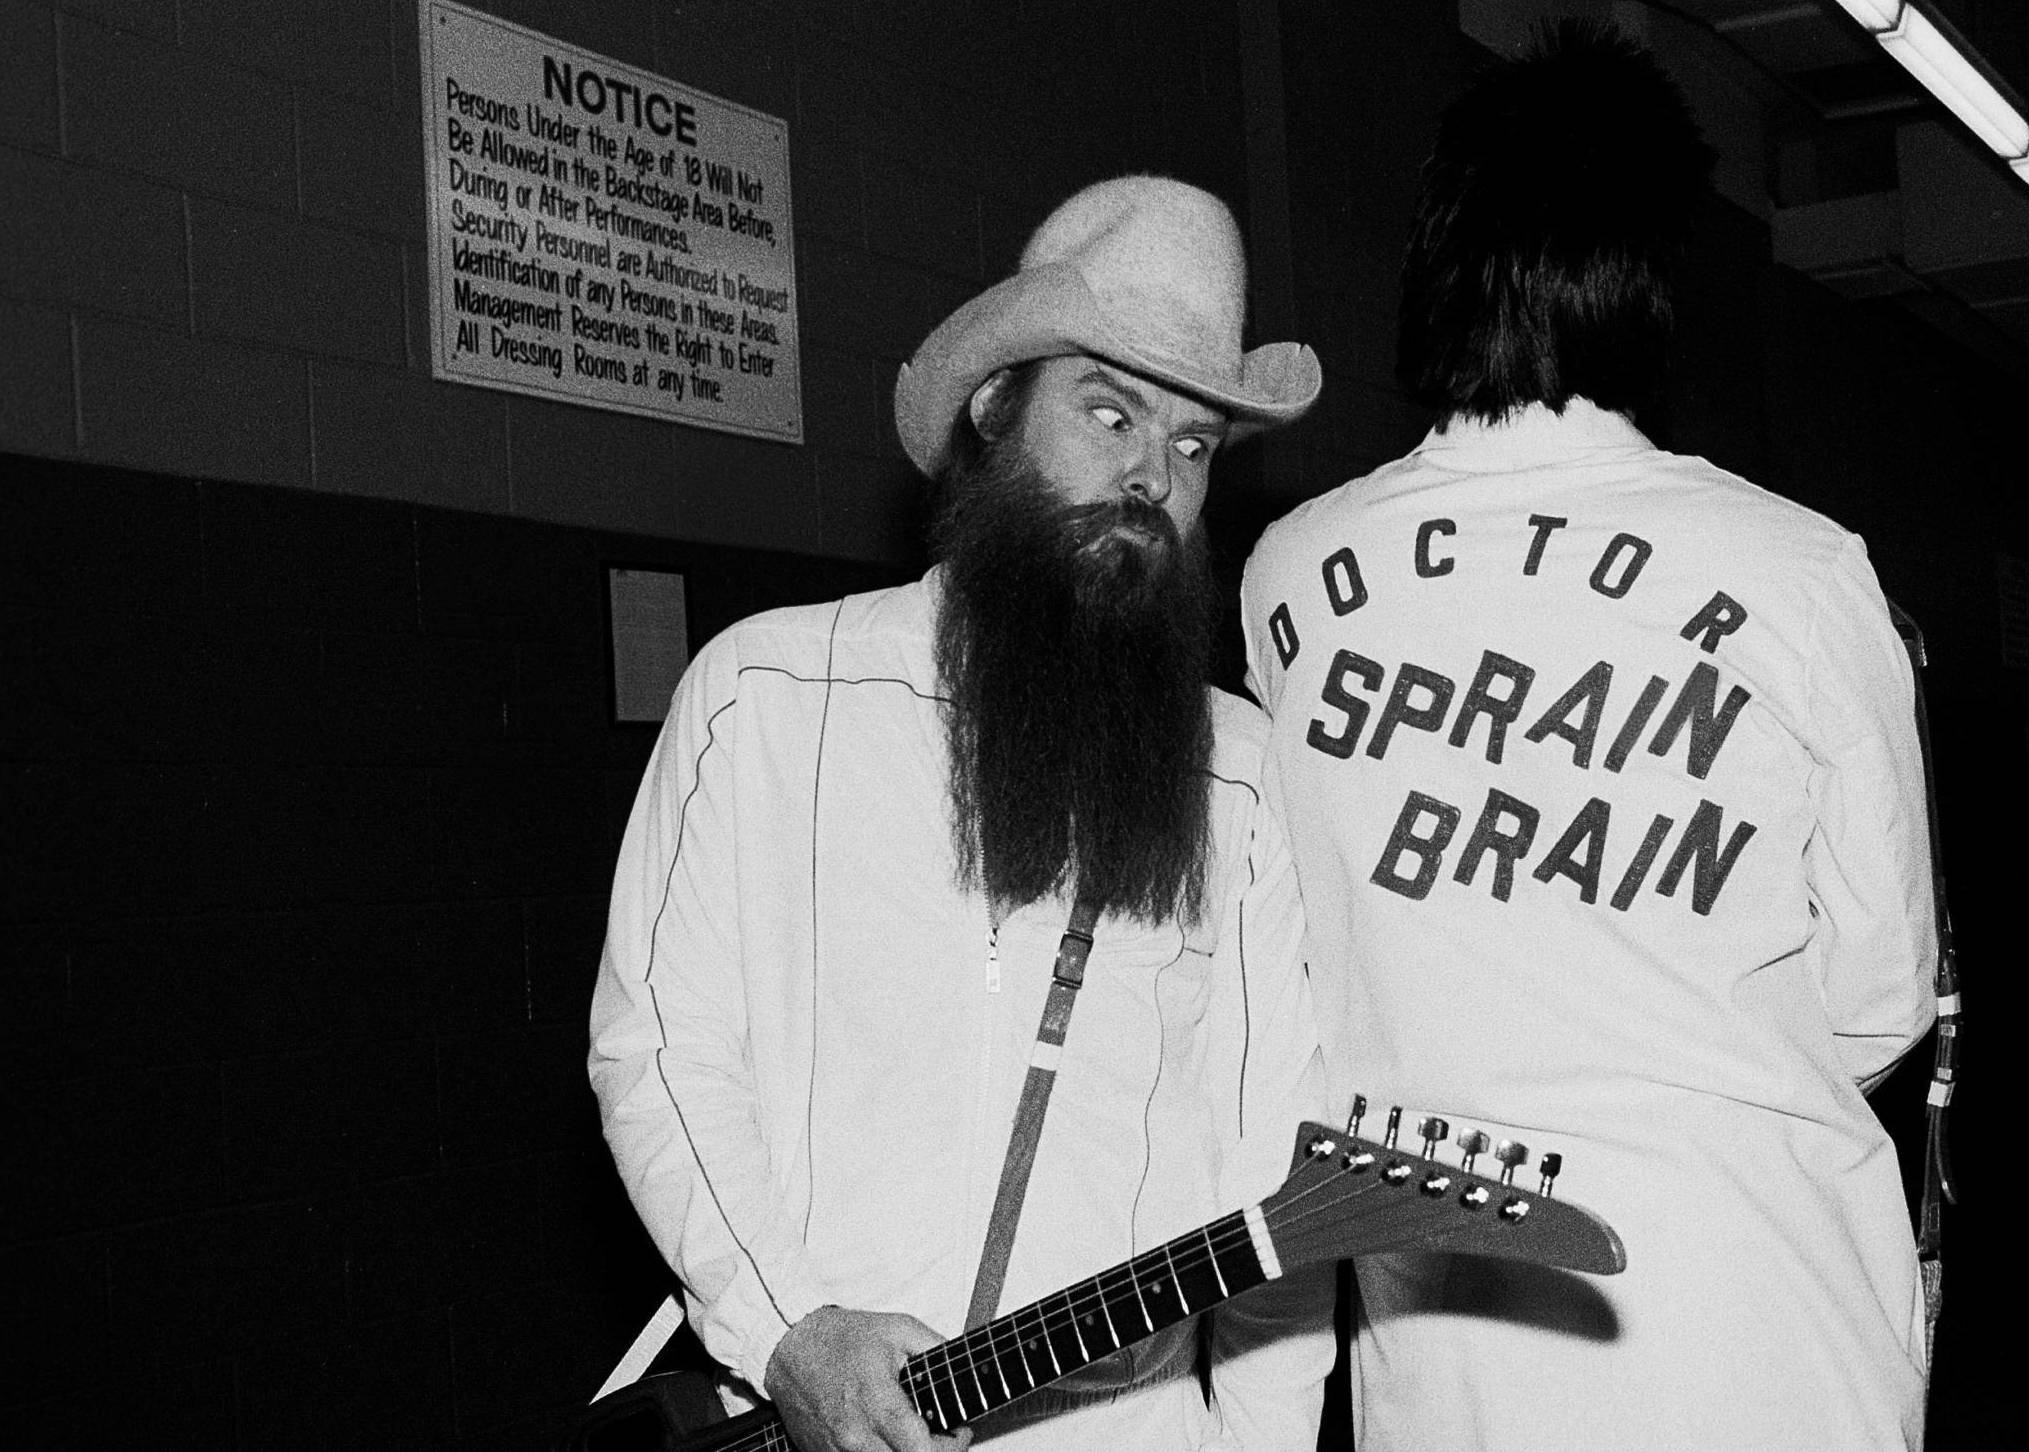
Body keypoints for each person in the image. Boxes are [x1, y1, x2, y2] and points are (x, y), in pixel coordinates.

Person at [1239, 23, 1938, 1449]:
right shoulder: (1802, 570)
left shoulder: (1287, 575)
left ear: (1438, 261)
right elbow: (1879, 1002)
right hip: (1765, 1332)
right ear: (1649, 278)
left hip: (1457, 1367)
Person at [591, 176, 1333, 1452]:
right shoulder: (765, 696)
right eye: (1111, 415)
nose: (1153, 475)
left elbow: (1273, 1177)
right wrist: (790, 1332)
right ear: (996, 409)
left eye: (1194, 444)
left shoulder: (1240, 773)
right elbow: (661, 1053)